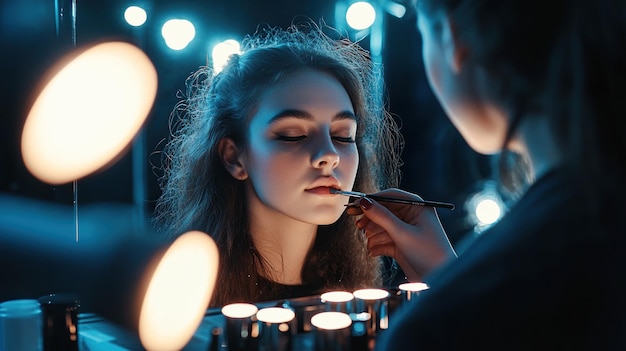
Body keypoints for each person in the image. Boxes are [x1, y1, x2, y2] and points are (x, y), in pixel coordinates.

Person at [350, 0, 626, 349]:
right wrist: (446, 273)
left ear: (454, 37)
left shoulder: (439, 328)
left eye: (344, 136)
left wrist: (456, 291)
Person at [153, 22, 403, 307]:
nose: (329, 154)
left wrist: (436, 268)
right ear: (234, 157)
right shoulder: (177, 303)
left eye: (342, 136)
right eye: (292, 135)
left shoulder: (357, 295)